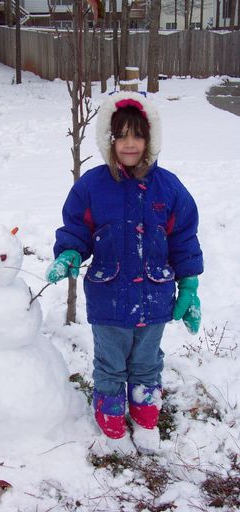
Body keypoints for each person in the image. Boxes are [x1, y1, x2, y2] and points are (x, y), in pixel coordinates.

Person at [46, 91, 203, 455]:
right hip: (109, 298)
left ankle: (146, 421)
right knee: (110, 364)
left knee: (147, 362)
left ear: (150, 139)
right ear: (109, 139)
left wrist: (189, 284)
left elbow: (183, 237)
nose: (129, 143)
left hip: (154, 297)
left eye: (137, 135)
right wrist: (69, 251)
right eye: (121, 135)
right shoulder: (91, 186)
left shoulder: (169, 187)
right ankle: (112, 425)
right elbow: (76, 229)